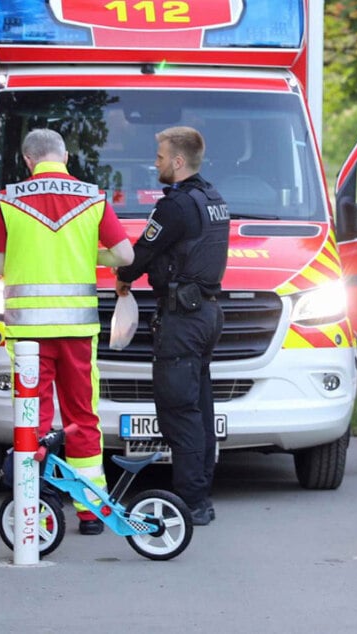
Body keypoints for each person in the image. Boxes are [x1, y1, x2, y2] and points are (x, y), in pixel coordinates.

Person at [0, 128, 133, 536]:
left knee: (33, 417)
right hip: (77, 330)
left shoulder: (10, 199)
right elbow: (125, 254)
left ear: (28, 160)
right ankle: (90, 512)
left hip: (27, 332)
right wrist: (91, 255)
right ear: (64, 156)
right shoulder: (93, 197)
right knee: (82, 415)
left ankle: (39, 502)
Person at [115, 126, 229, 526]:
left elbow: (142, 252)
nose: (156, 163)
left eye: (161, 157)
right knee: (198, 408)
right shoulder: (212, 198)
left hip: (182, 320)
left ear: (178, 162)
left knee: (180, 412)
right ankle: (201, 496)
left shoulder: (176, 206)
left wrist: (123, 274)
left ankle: (190, 502)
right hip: (205, 315)